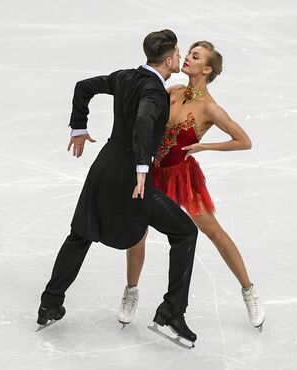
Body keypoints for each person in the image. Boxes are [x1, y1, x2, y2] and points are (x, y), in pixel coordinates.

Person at [37, 29, 199, 348]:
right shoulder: (154, 91)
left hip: (103, 169)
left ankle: (49, 304)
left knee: (81, 234)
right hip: (130, 177)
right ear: (168, 60)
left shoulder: (125, 76)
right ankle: (171, 313)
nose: (181, 57)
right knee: (185, 232)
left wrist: (79, 127)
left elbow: (84, 87)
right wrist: (142, 167)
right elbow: (142, 123)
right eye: (179, 53)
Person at [117, 41, 265, 332]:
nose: (186, 58)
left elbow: (244, 141)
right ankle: (131, 291)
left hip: (182, 177)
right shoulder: (172, 92)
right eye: (188, 53)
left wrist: (204, 146)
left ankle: (249, 291)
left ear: (206, 69)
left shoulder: (210, 108)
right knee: (137, 233)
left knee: (213, 231)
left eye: (194, 57)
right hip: (154, 173)